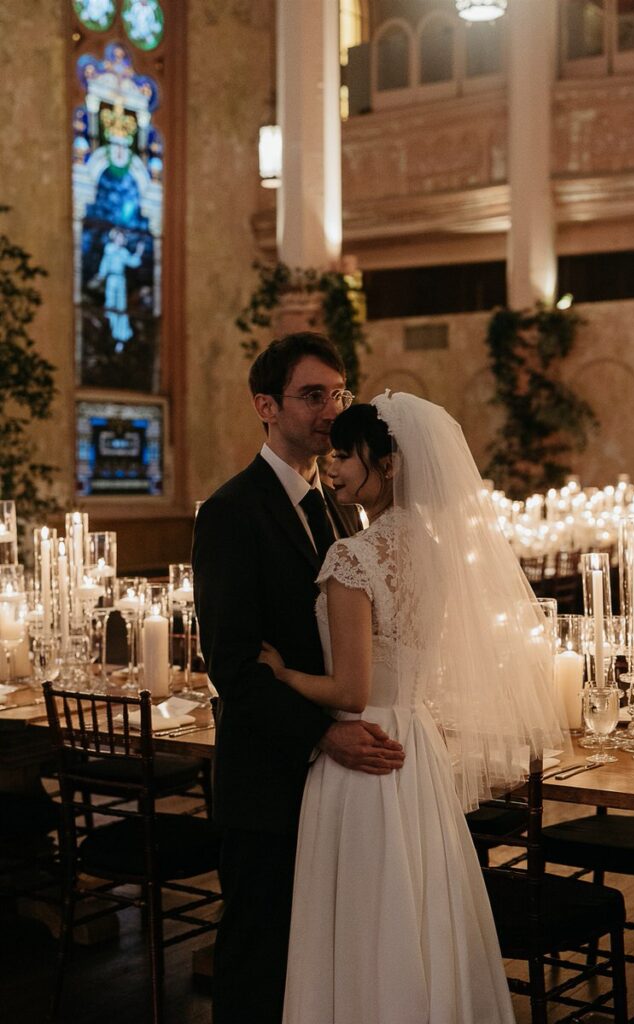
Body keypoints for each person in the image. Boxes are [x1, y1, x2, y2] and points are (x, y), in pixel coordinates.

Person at [258, 392, 564, 1024]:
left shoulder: (354, 557)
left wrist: (283, 673)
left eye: (346, 454)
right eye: (333, 452)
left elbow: (350, 691)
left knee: (366, 915)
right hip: (416, 745)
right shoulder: (437, 550)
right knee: (420, 908)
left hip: (361, 750)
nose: (333, 466)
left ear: (389, 463)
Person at [192, 334, 405, 1024]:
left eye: (339, 393)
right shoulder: (230, 512)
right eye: (313, 394)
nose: (331, 410)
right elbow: (232, 669)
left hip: (339, 780)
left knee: (321, 961)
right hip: (267, 774)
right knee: (258, 955)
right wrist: (323, 735)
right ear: (265, 405)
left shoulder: (341, 504)